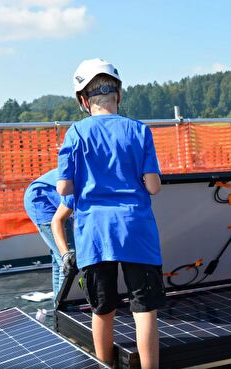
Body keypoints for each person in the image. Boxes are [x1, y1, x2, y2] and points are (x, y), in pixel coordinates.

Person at [57, 58, 164, 368]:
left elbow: (64, 187)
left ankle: (105, 365)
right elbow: (154, 186)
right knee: (144, 310)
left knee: (102, 310)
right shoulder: (139, 131)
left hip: (94, 233)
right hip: (136, 228)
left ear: (82, 100)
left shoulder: (75, 134)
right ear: (119, 94)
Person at [23, 169, 74, 302]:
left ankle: (58, 304)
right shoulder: (87, 180)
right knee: (68, 259)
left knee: (58, 259)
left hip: (45, 196)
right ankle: (64, 307)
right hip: (42, 202)